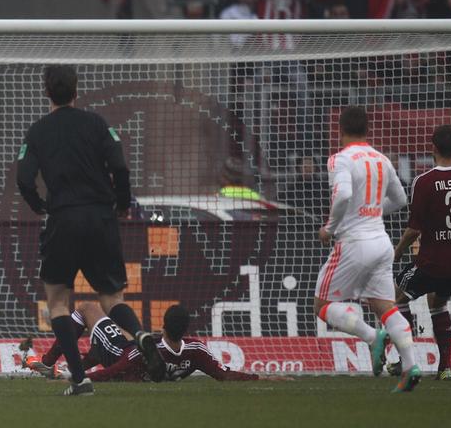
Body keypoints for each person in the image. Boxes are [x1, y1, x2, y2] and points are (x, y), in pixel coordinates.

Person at [16, 65, 164, 395]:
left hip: (63, 218)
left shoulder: (38, 131)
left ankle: (79, 379)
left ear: (46, 92)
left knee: (57, 302)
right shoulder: (96, 124)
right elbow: (121, 167)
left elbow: (24, 179)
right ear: (77, 90)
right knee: (112, 298)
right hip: (100, 217)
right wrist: (123, 203)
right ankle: (139, 335)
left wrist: (40, 205)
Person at [315, 106, 421, 393]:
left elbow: (344, 195)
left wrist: (331, 227)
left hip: (354, 243)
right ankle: (411, 364)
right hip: (382, 243)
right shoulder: (381, 159)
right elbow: (400, 200)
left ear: (339, 130)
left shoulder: (340, 159)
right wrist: (371, 212)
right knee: (385, 306)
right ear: (367, 130)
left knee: (322, 306)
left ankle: (372, 337)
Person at [390, 125, 451, 380]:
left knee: (396, 299)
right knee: (437, 303)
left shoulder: (424, 181)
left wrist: (397, 253)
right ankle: (445, 368)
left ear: (433, 148)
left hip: (431, 263)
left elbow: (412, 230)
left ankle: (405, 361)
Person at [25, 303, 285, 382]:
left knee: (88, 309)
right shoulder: (195, 350)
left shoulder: (152, 349)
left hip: (119, 355)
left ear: (163, 325)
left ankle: (48, 364)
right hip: (132, 367)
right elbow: (221, 374)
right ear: (186, 329)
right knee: (110, 347)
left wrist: (81, 379)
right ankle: (67, 366)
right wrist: (261, 378)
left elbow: (116, 368)